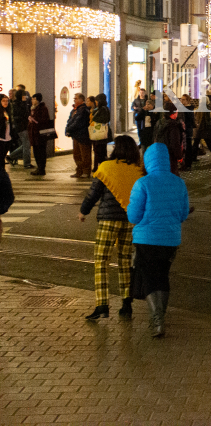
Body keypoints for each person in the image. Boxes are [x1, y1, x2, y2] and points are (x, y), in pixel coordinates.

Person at [127, 142, 190, 338]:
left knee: (149, 278)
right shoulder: (178, 182)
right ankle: (160, 315)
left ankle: (157, 320)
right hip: (170, 240)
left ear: (147, 161)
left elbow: (134, 217)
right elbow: (183, 213)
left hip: (146, 239)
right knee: (162, 276)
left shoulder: (143, 183)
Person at [78, 136, 144, 320]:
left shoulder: (106, 167)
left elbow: (94, 193)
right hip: (130, 220)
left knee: (101, 261)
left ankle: (102, 305)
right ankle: (126, 303)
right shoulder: (138, 170)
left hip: (108, 220)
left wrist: (84, 211)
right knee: (125, 261)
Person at [152, 102, 184, 175]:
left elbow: (154, 138)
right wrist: (179, 157)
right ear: (173, 113)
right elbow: (175, 143)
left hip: (159, 154)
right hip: (170, 156)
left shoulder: (159, 123)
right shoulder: (173, 126)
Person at [65, 93, 92, 178]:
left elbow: (78, 122)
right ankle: (79, 171)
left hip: (83, 135)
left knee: (85, 155)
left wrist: (70, 128)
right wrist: (67, 129)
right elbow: (70, 120)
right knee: (77, 155)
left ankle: (86, 171)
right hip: (76, 135)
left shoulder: (83, 110)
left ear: (81, 100)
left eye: (76, 98)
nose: (74, 100)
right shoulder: (75, 110)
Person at [27, 93, 53, 176]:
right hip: (34, 134)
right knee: (36, 152)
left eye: (33, 99)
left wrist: (34, 120)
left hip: (40, 134)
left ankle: (41, 169)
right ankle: (39, 168)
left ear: (37, 100)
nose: (32, 101)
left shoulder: (42, 108)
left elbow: (44, 120)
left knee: (41, 152)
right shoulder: (33, 108)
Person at [9, 90, 31, 169]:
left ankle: (11, 156)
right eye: (23, 95)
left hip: (23, 126)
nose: (25, 97)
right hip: (21, 127)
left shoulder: (22, 103)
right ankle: (27, 163)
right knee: (26, 145)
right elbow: (22, 114)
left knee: (25, 145)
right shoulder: (17, 104)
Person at [90, 93, 111, 167]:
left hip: (101, 134)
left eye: (97, 101)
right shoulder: (99, 108)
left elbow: (105, 119)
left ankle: (101, 167)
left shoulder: (104, 109)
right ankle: (97, 166)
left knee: (101, 151)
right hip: (98, 133)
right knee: (98, 151)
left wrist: (94, 118)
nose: (95, 102)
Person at [0, 94, 11, 167]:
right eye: (3, 101)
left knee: (3, 156)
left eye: (7, 101)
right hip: (1, 137)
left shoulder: (6, 111)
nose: (5, 103)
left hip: (7, 136)